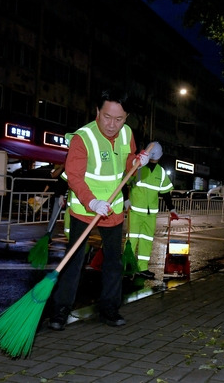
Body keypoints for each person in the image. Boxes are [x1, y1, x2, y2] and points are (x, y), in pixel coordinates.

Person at [48, 89, 150, 331]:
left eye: (119, 119)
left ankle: (109, 308)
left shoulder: (127, 134)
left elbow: (127, 166)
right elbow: (73, 176)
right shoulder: (83, 138)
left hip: (113, 211)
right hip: (85, 209)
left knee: (113, 262)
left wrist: (137, 161)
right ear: (97, 111)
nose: (112, 124)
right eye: (107, 117)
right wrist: (92, 202)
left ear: (126, 118)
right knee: (74, 261)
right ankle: (61, 311)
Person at [123, 141, 179, 279]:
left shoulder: (160, 172)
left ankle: (142, 267)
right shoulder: (138, 167)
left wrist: (171, 208)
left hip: (150, 213)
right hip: (135, 211)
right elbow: (124, 182)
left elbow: (165, 192)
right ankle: (127, 266)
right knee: (133, 239)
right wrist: (125, 199)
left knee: (146, 240)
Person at [45, 163, 68, 244]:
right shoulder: (62, 169)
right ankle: (48, 236)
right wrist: (61, 195)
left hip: (69, 196)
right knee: (54, 217)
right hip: (61, 196)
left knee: (70, 219)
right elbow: (55, 176)